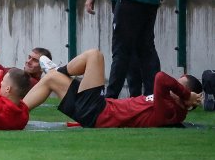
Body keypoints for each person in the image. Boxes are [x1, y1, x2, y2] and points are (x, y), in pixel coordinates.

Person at [23, 49, 202, 128]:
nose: (176, 88)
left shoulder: (171, 112)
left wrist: (186, 95)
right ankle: (16, 112)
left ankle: (57, 70)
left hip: (101, 114)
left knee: (95, 56)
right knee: (52, 79)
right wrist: (185, 93)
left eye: (180, 87)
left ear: (188, 102)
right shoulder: (170, 104)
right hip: (100, 109)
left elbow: (161, 78)